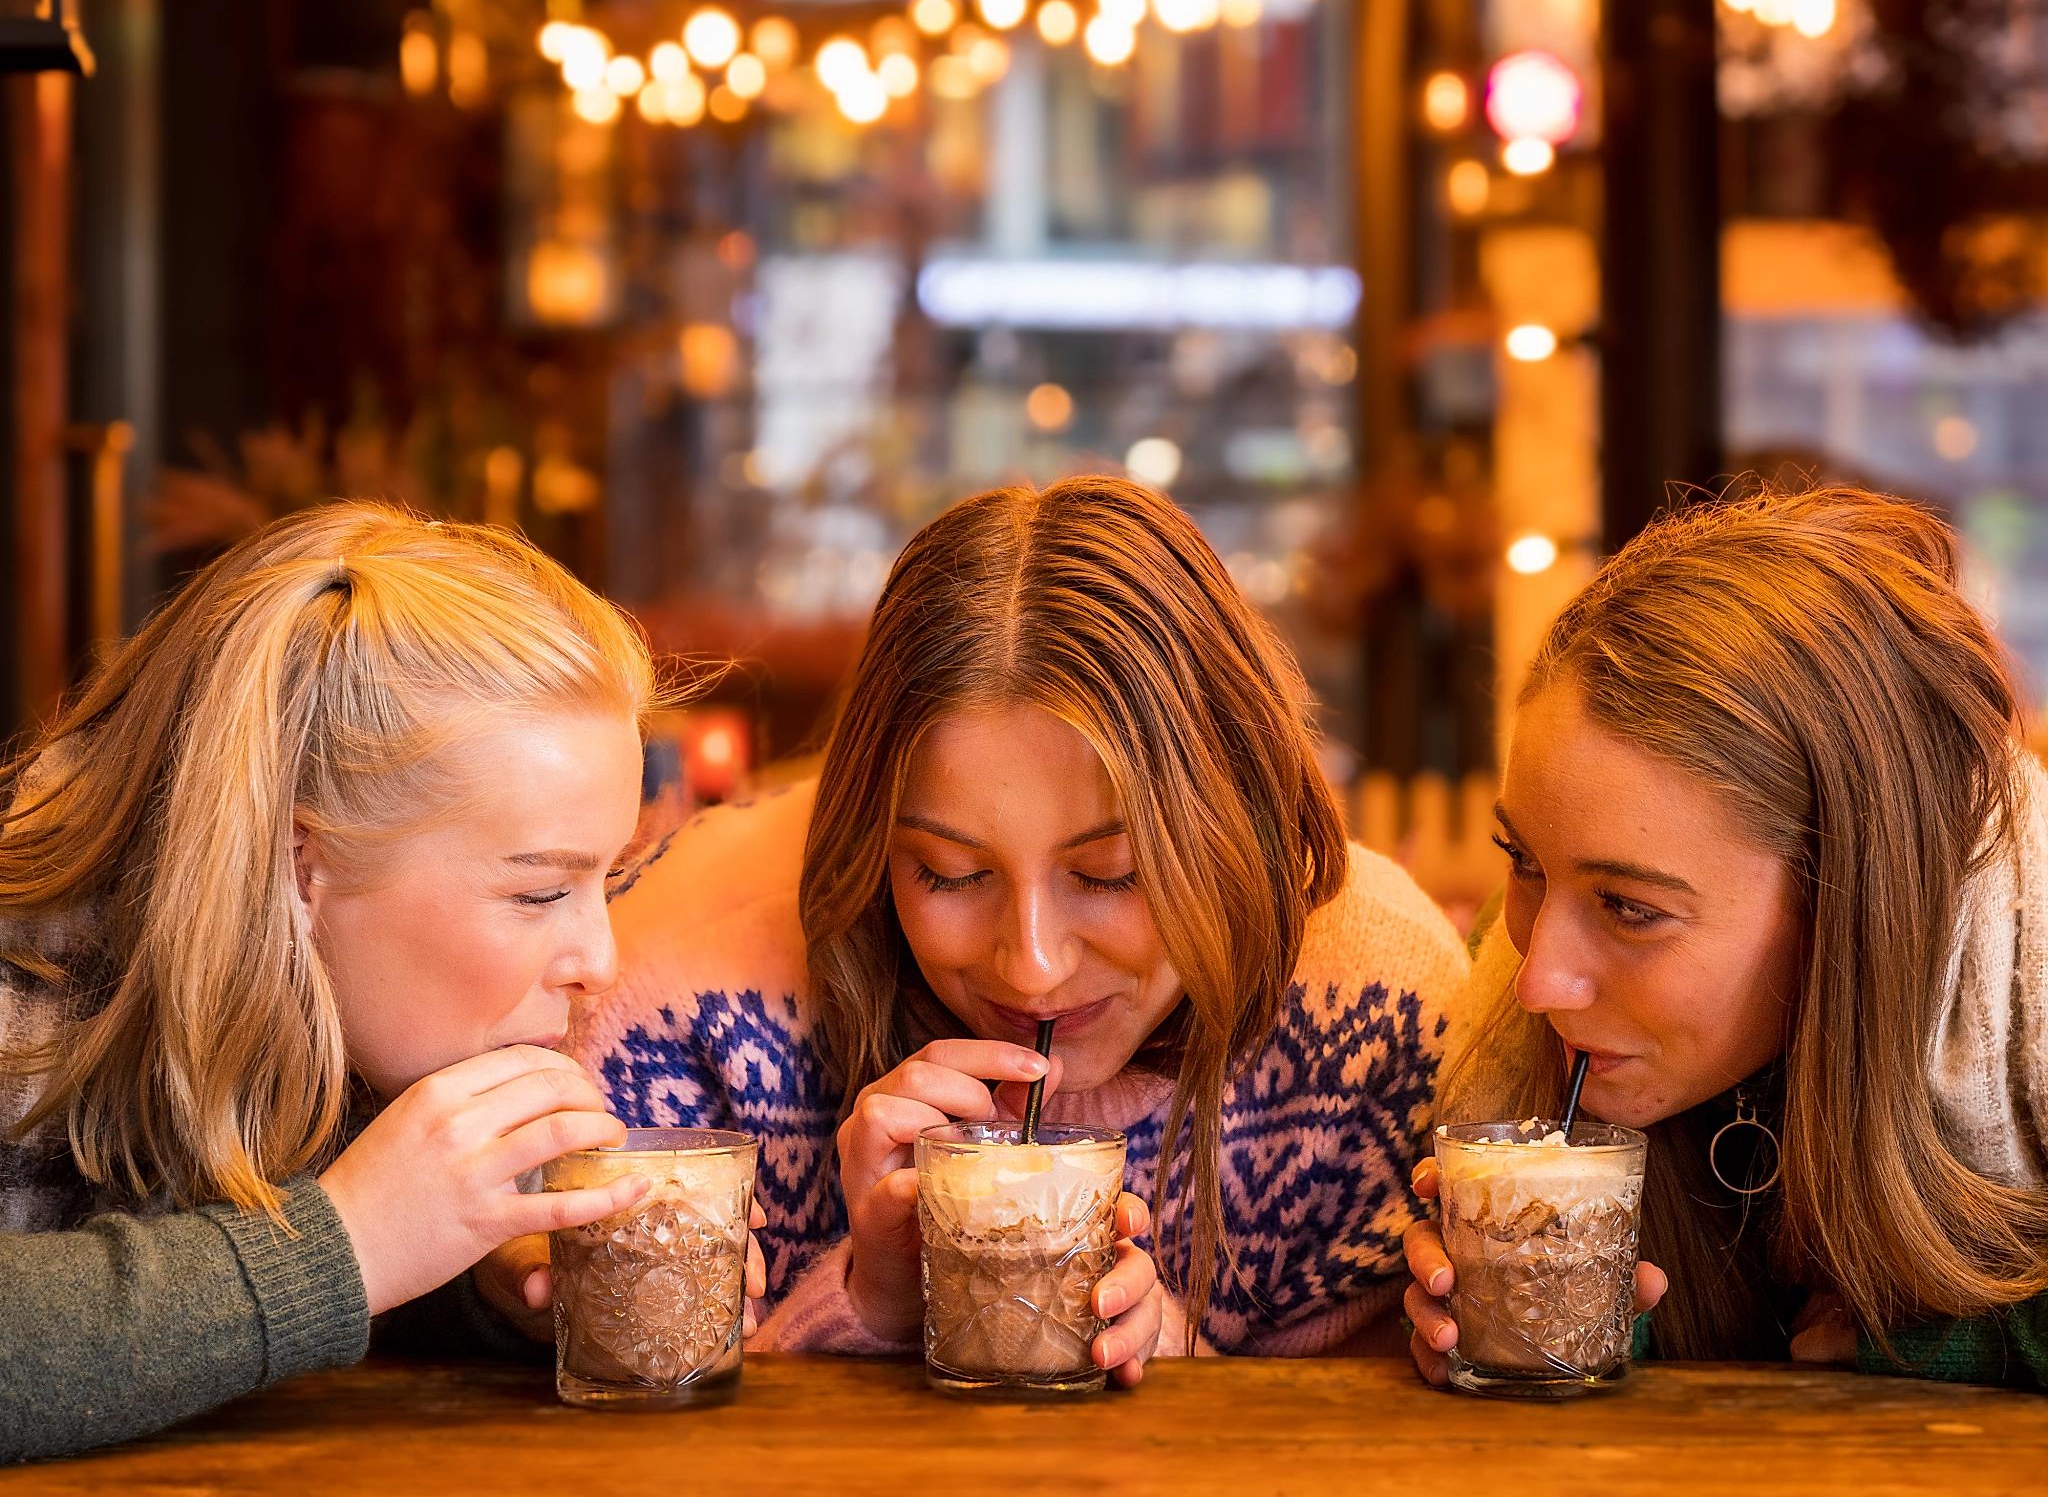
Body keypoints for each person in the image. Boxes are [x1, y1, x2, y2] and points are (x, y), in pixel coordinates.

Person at [487, 475, 1469, 1363]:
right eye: (951, 874)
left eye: (1112, 873)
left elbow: (1384, 1480)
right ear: (870, 833)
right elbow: (638, 1484)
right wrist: (871, 1304)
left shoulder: (1380, 1008)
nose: (1032, 967)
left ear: (1230, 822)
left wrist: (1174, 1360)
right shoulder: (666, 1004)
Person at [0, 503, 762, 1464]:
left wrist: (480, 1281)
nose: (598, 961)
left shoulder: (338, 1012)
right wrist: (347, 1246)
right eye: (537, 891)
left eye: (602, 881)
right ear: (300, 866)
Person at [1404, 485, 2048, 1389]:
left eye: (1631, 908)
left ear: (1846, 903)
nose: (1536, 978)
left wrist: (1942, 1343)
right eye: (1524, 860)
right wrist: (1555, 1325)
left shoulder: (2025, 975)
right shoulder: (1501, 993)